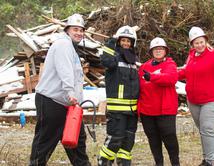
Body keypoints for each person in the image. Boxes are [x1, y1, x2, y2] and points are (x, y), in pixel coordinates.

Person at [29, 13, 91, 166]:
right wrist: (70, 92)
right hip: (52, 101)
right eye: (75, 29)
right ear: (67, 30)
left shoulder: (71, 47)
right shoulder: (63, 44)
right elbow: (65, 70)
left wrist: (76, 100)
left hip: (68, 104)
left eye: (81, 30)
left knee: (76, 140)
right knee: (46, 140)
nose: (79, 33)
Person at [178, 26, 214, 166]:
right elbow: (185, 73)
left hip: (212, 100)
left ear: (205, 41)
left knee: (207, 129)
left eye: (201, 42)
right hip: (193, 101)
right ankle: (205, 159)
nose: (199, 45)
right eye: (196, 43)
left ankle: (210, 162)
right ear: (192, 44)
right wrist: (167, 75)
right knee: (203, 131)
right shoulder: (192, 56)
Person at [97, 25, 139, 166]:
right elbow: (105, 60)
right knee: (115, 139)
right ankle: (103, 162)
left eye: (129, 41)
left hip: (132, 111)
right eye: (123, 40)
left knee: (128, 142)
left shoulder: (133, 60)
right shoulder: (114, 57)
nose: (126, 43)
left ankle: (124, 163)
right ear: (119, 41)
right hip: (117, 110)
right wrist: (111, 42)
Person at [137, 37, 180, 166]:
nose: (158, 51)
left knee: (169, 138)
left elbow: (171, 79)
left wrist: (152, 77)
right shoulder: (144, 66)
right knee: (153, 139)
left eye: (161, 49)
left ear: (165, 50)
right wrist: (139, 110)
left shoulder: (170, 64)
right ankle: (158, 163)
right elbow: (139, 88)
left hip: (165, 110)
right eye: (155, 49)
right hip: (147, 111)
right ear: (151, 51)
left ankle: (175, 163)